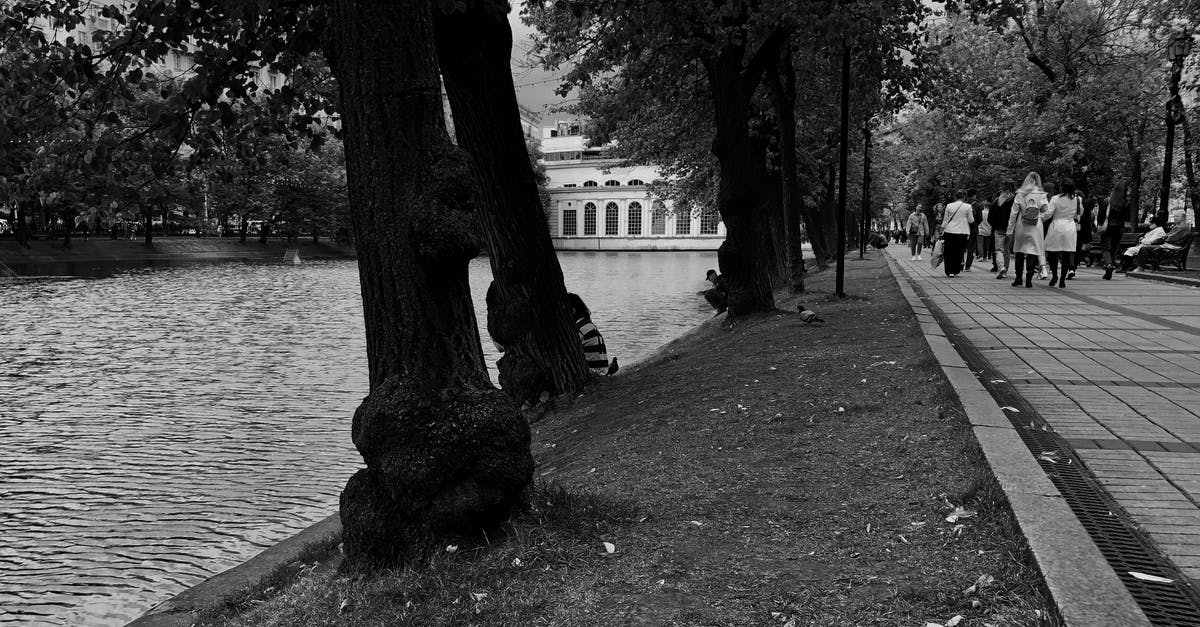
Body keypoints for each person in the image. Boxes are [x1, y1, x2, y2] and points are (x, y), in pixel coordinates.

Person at [1007, 172, 1050, 288]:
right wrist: (1041, 217)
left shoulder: (1020, 193)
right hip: (1036, 225)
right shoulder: (1041, 194)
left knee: (1019, 251)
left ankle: (1018, 278)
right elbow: (1048, 211)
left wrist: (1010, 230)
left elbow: (1013, 212)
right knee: (1033, 251)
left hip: (1022, 224)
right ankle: (1029, 279)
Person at [567, 293, 618, 376]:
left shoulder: (578, 330)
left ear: (573, 310)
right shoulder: (589, 326)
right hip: (602, 370)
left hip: (593, 373)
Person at [1043, 179, 1081, 288]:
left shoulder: (1055, 198)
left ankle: (1054, 276)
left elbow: (1049, 213)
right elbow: (1078, 215)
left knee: (1052, 254)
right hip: (1070, 227)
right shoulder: (1077, 199)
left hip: (1056, 226)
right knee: (1066, 255)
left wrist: (1041, 218)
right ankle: (1062, 280)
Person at [1097, 180, 1129, 280]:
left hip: (1108, 227)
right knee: (1114, 248)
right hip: (1119, 227)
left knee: (1105, 247)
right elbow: (1127, 217)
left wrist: (1099, 224)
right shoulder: (1125, 203)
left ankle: (1108, 265)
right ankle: (1109, 268)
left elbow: (1101, 215)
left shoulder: (1107, 201)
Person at [940, 189, 975, 277]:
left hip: (949, 231)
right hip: (962, 231)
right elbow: (971, 220)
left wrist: (942, 230)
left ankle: (949, 271)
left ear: (956, 196)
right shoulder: (968, 206)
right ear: (964, 197)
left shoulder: (949, 206)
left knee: (949, 251)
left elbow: (945, 220)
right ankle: (956, 270)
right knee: (959, 251)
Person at [991, 184, 1015, 279]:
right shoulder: (1015, 200)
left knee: (999, 250)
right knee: (1007, 250)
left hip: (998, 228)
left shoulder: (997, 200)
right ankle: (1006, 270)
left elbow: (991, 216)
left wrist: (994, 225)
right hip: (1010, 228)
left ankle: (1001, 267)